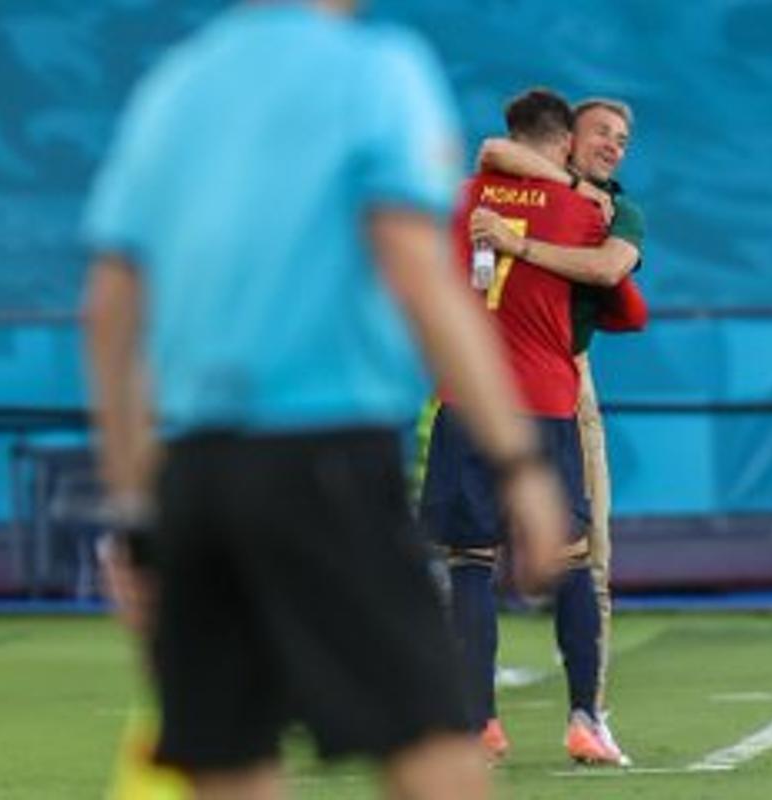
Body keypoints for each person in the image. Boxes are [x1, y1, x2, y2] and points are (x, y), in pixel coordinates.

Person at [83, 3, 568, 799]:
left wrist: (138, 514)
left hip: (194, 475)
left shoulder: (174, 85)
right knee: (438, 761)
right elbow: (418, 271)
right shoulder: (373, 69)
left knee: (232, 771)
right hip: (325, 462)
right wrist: (519, 464)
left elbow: (108, 309)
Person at [419, 88, 620, 766]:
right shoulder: (583, 208)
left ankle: (481, 725)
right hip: (546, 404)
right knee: (569, 563)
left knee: (469, 565)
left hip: (467, 400)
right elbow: (629, 307)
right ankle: (584, 720)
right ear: (564, 143)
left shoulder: (456, 198)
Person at [470, 97, 646, 765]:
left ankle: (588, 714)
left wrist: (518, 242)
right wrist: (568, 189)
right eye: (603, 132)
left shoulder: (619, 208)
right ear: (566, 140)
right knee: (471, 553)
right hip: (491, 375)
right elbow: (496, 148)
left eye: (624, 138)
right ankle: (476, 716)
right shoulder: (549, 189)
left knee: (586, 553)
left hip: (562, 379)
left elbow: (609, 271)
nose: (615, 146)